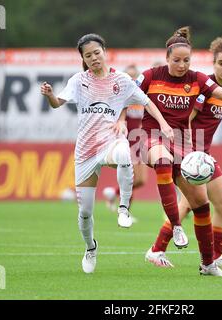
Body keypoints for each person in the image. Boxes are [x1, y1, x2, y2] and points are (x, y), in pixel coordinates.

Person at [40, 33, 174, 274]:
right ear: (83, 58)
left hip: (110, 143)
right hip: (86, 151)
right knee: (85, 212)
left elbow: (147, 102)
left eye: (97, 53)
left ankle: (123, 208)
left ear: (105, 51)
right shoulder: (79, 81)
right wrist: (49, 94)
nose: (94, 58)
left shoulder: (121, 80)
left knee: (124, 153)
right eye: (88, 55)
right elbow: (57, 103)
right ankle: (90, 248)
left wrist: (163, 123)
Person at [138, 27, 222, 276]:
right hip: (188, 152)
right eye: (221, 63)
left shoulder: (208, 85)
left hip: (199, 155)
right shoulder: (199, 88)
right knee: (190, 203)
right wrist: (191, 153)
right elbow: (188, 122)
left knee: (215, 204)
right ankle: (161, 248)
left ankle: (211, 260)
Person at [103, 64, 148, 214]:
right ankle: (125, 211)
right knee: (132, 176)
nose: (132, 79)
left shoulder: (141, 96)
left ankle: (113, 193)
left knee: (140, 180)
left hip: (139, 140)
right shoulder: (121, 97)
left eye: (135, 76)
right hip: (127, 140)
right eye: (129, 76)